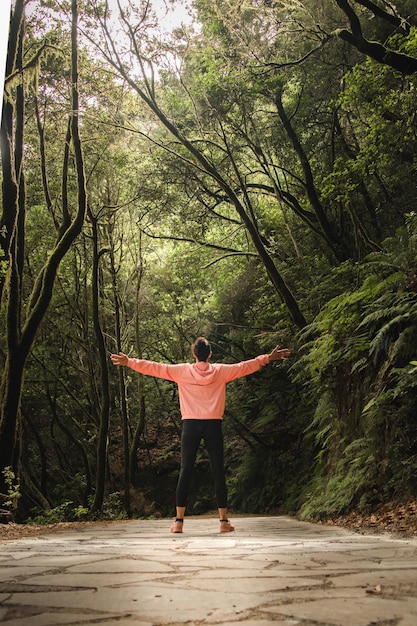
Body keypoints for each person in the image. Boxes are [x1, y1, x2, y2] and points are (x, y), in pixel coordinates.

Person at [110, 337, 290, 534]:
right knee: (218, 471)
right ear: (210, 354)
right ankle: (223, 522)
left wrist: (130, 362)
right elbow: (244, 367)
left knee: (185, 470)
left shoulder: (182, 371)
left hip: (190, 425)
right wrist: (267, 358)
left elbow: (156, 368)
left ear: (193, 354)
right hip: (213, 425)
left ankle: (178, 522)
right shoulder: (220, 371)